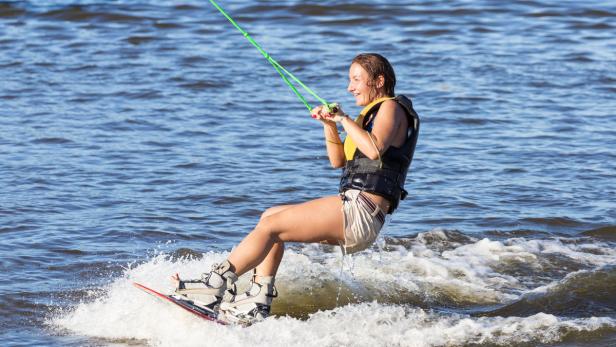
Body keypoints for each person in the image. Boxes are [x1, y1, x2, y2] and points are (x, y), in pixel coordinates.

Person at [172, 53, 420, 322]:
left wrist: (343, 118)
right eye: (349, 80)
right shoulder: (367, 118)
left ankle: (213, 286)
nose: (350, 87)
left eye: (356, 79)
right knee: (270, 217)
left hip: (361, 211)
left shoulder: (392, 108)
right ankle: (257, 301)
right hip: (356, 208)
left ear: (379, 80)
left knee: (270, 228)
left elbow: (373, 150)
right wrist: (329, 126)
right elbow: (338, 161)